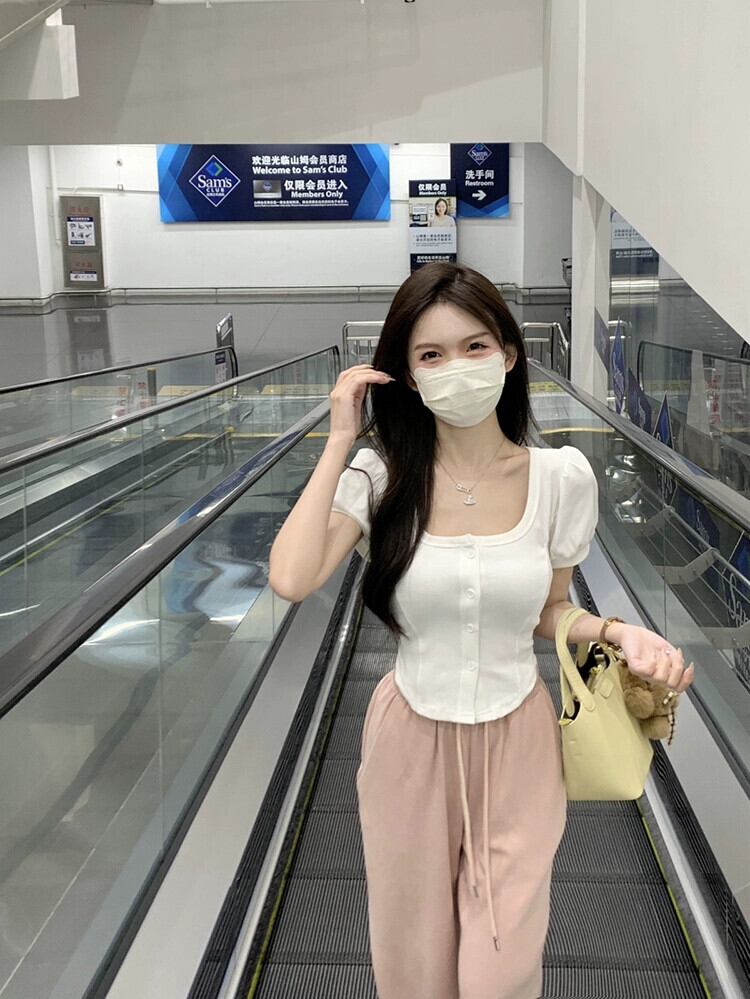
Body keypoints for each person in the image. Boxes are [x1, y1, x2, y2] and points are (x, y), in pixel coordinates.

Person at [268, 262, 694, 999]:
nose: (457, 367)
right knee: (413, 965)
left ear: (509, 353)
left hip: (518, 744)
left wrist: (615, 632)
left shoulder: (560, 478)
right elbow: (292, 576)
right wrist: (340, 439)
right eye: (431, 355)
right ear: (407, 376)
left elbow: (547, 611)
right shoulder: (381, 477)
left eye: (474, 346)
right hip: (408, 744)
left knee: (502, 972)